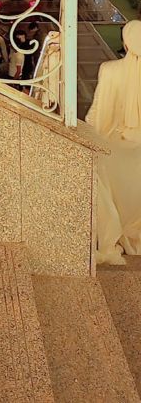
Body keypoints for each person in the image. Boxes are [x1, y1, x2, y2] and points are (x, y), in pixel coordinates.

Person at [85, 19, 141, 265]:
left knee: (102, 177)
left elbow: (97, 113)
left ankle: (115, 235)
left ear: (126, 43)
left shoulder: (109, 70)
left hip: (114, 147)